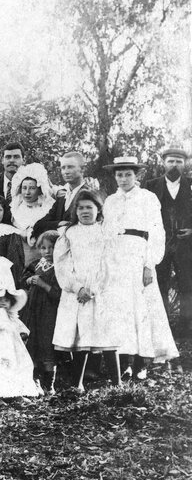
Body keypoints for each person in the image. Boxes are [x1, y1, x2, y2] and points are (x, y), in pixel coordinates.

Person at [101, 156, 178, 379]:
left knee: (142, 308)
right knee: (121, 308)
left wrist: (149, 264)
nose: (123, 178)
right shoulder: (110, 201)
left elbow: (157, 232)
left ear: (137, 176)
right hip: (116, 256)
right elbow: (106, 232)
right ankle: (126, 361)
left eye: (128, 174)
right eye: (119, 174)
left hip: (138, 254)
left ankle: (143, 363)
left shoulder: (147, 198)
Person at [52, 191, 117, 390]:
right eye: (80, 208)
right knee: (79, 334)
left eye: (89, 207)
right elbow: (61, 264)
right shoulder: (69, 233)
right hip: (75, 293)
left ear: (98, 210)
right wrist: (78, 287)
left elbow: (111, 264)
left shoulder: (106, 233)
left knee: (106, 333)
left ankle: (117, 383)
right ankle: (77, 383)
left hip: (100, 291)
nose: (85, 211)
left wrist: (94, 289)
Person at [144, 145, 192, 336]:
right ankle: (162, 326)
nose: (174, 165)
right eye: (170, 161)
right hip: (159, 244)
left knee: (187, 284)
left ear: (185, 164)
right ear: (163, 163)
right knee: (159, 283)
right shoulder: (150, 185)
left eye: (178, 162)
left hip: (186, 245)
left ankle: (186, 326)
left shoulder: (191, 184)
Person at [22, 230, 62, 391]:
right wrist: (29, 280)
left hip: (49, 311)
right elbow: (22, 280)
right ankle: (35, 379)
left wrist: (43, 285)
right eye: (43, 248)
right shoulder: (36, 264)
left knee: (47, 345)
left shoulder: (60, 266)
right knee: (32, 342)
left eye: (51, 248)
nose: (47, 251)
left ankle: (49, 383)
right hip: (33, 309)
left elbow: (59, 293)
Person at [34, 151, 103, 237]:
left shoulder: (90, 194)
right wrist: (59, 223)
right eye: (63, 168)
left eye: (70, 167)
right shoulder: (61, 197)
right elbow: (40, 224)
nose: (66, 172)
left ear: (83, 169)